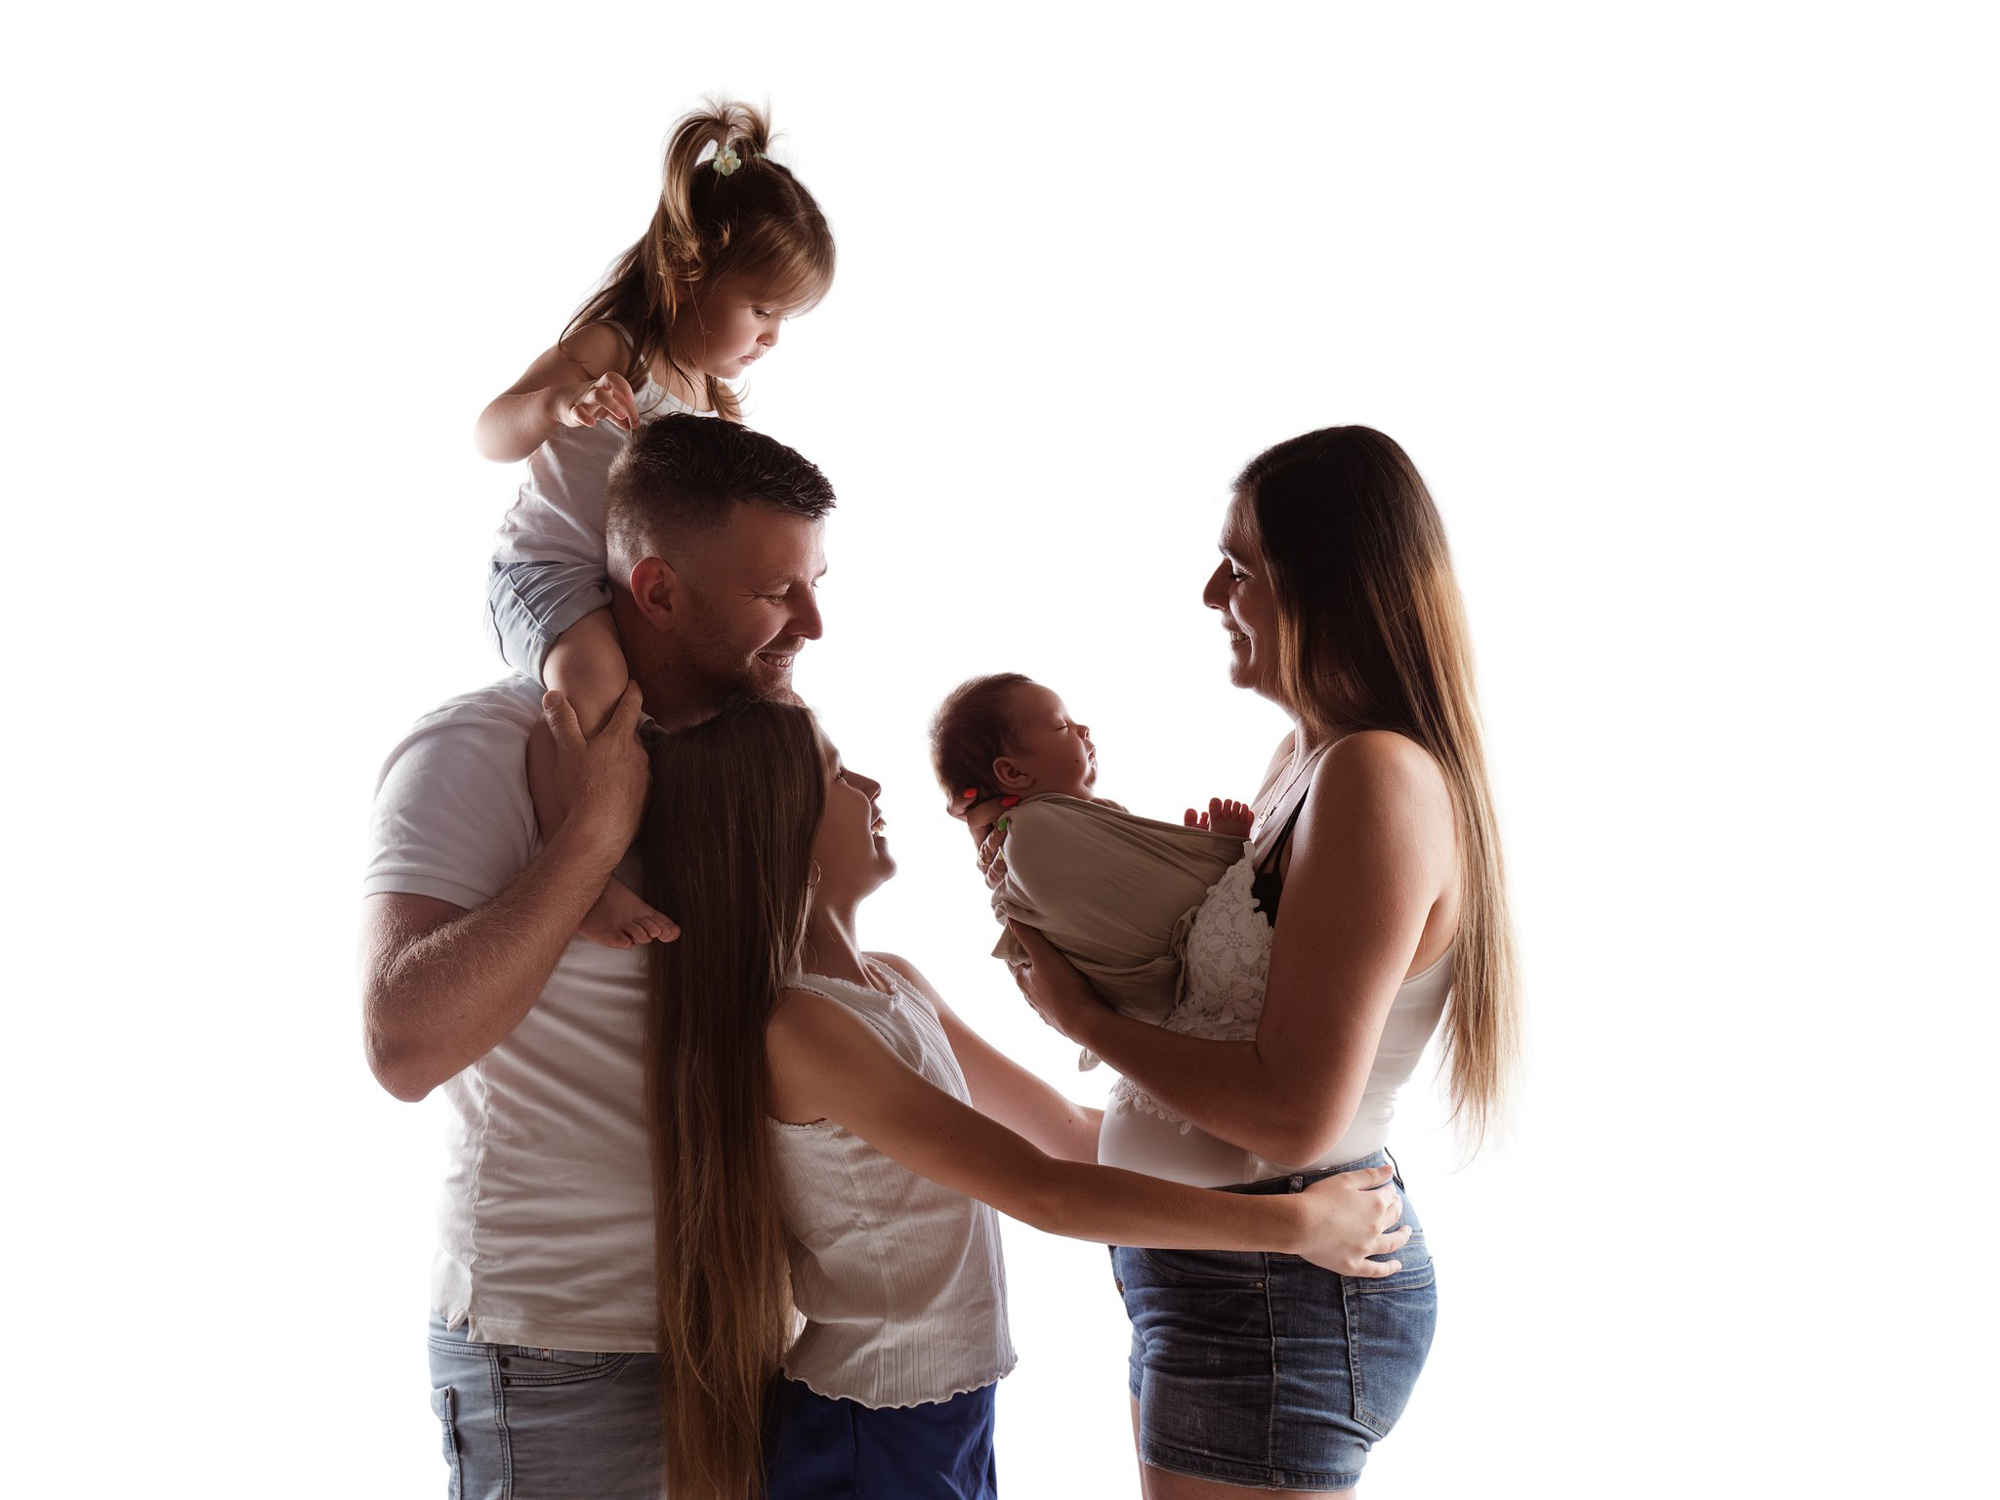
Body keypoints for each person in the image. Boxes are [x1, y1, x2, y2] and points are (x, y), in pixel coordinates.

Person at [637, 698, 1415, 1500]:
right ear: (775, 830)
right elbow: (1040, 1191)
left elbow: (1065, 1137)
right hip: (873, 1426)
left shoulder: (893, 983)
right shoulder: (803, 1028)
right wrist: (1294, 1226)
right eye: (836, 774)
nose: (870, 785)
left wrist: (1263, 1145)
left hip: (951, 1414)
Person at [997, 426, 1520, 1496]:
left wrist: (1080, 1022)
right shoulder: (1304, 761)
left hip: (1275, 1292)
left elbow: (1291, 1116)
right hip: (1210, 1272)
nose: (1207, 593)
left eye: (1238, 568)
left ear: (1323, 585)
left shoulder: (1375, 777)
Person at [361, 416, 836, 1500]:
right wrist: (588, 839)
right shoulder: (472, 752)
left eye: (813, 584)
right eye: (778, 593)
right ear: (659, 592)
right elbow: (401, 1044)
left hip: (757, 1336)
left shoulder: (770, 752)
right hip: (556, 1350)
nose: (814, 622)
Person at [476, 99, 834, 948]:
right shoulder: (615, 349)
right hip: (550, 573)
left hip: (639, 587)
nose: (772, 338)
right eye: (761, 310)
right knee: (594, 686)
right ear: (686, 278)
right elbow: (491, 427)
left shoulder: (712, 400)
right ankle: (582, 871)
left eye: (785, 319)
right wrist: (558, 407)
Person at [929, 672, 1252, 1068]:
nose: (1082, 728)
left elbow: (1135, 893)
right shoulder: (1034, 832)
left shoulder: (1073, 824)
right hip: (1163, 993)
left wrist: (1186, 849)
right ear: (1012, 774)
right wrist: (1215, 854)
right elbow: (1157, 913)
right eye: (1062, 725)